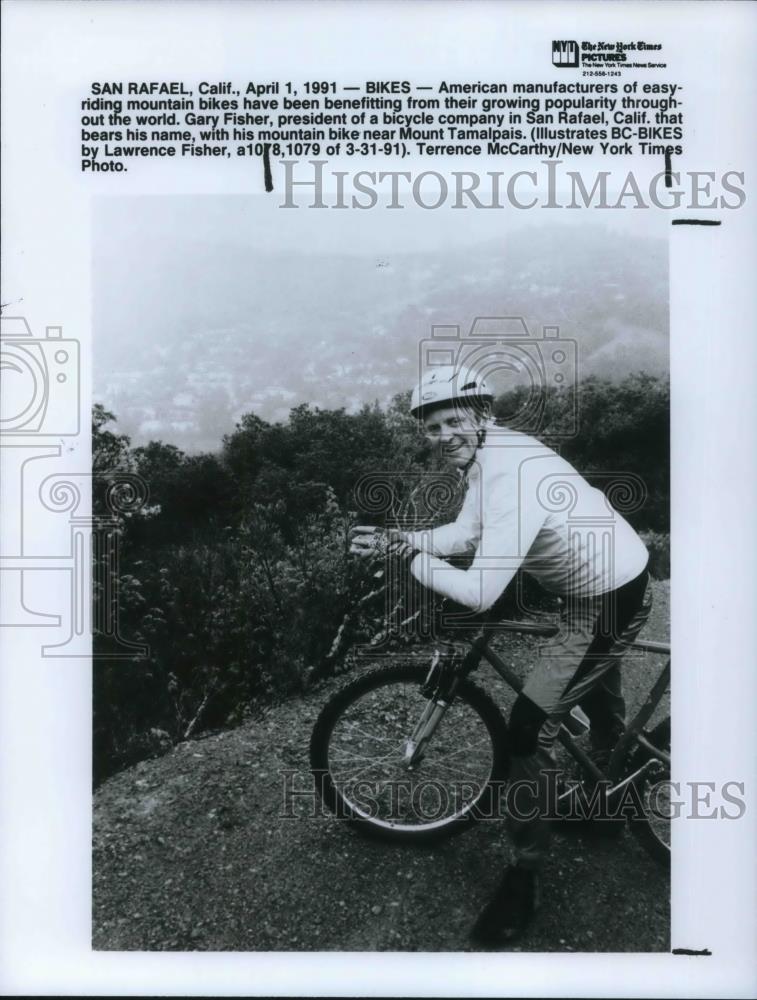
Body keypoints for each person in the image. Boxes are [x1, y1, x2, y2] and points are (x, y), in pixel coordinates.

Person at [350, 365, 652, 943]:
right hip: (595, 581)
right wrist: (403, 538)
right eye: (432, 426)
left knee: (527, 728)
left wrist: (409, 562)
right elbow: (467, 535)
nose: (442, 436)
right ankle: (606, 803)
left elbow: (482, 592)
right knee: (592, 689)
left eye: (453, 421)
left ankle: (524, 876)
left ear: (482, 415)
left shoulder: (510, 473)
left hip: (608, 598)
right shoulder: (489, 456)